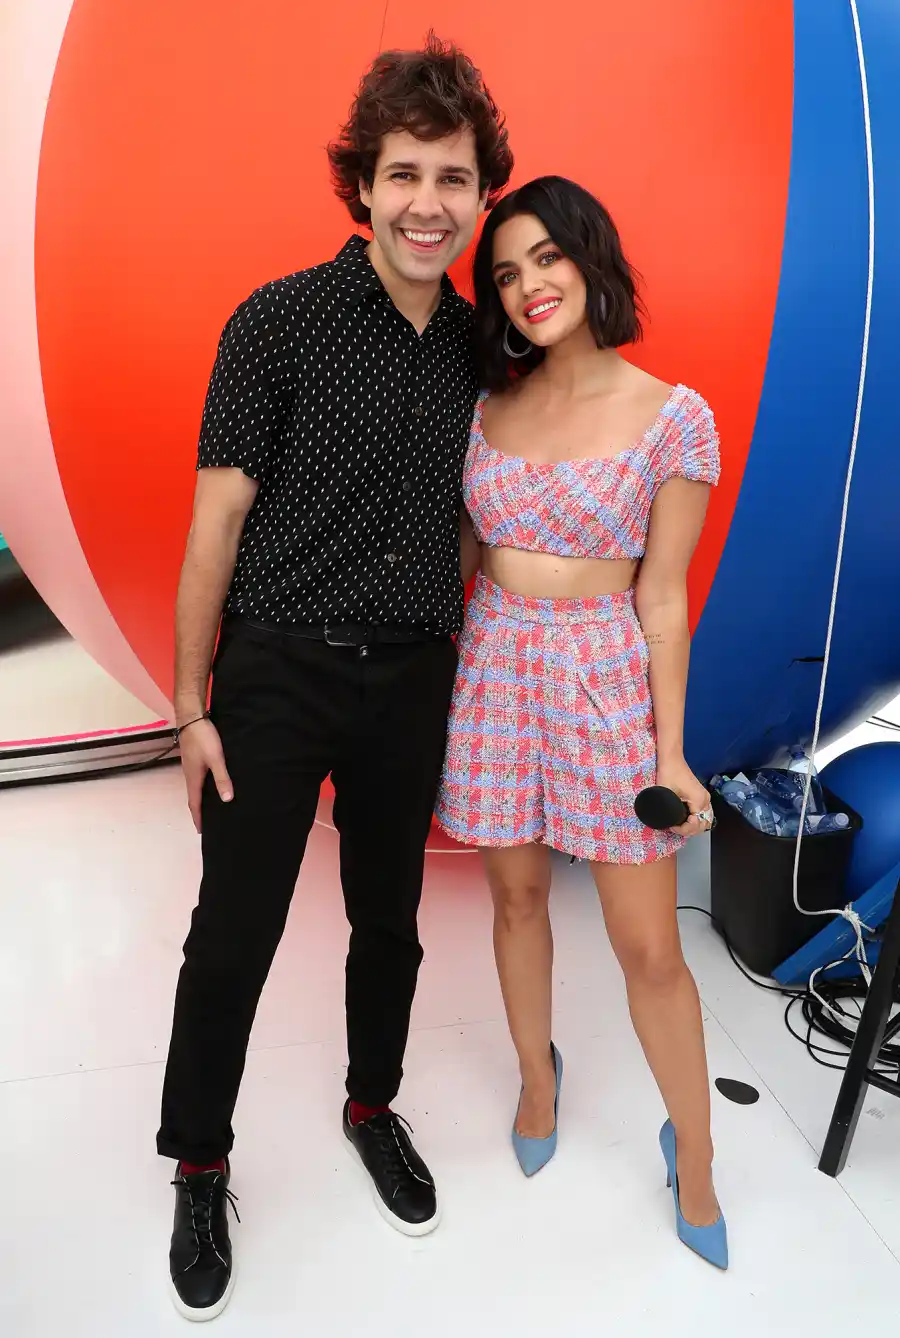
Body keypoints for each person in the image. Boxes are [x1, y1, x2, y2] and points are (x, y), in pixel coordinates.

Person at [159, 35, 513, 1320]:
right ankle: (202, 1159)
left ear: (483, 197)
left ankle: (374, 1104)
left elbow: (491, 511)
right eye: (404, 173)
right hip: (276, 674)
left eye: (455, 179)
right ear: (361, 185)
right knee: (233, 936)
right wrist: (191, 707)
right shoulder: (276, 322)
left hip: (414, 676)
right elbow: (213, 529)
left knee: (391, 922)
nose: (429, 201)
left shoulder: (485, 350)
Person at [436, 176, 728, 1270]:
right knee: (513, 895)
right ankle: (536, 1075)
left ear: (589, 257)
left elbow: (663, 593)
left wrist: (671, 752)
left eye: (544, 259)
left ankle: (693, 1150)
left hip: (606, 670)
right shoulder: (482, 407)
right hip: (499, 663)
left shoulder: (674, 414)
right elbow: (460, 560)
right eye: (506, 275)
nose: (527, 287)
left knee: (649, 946)